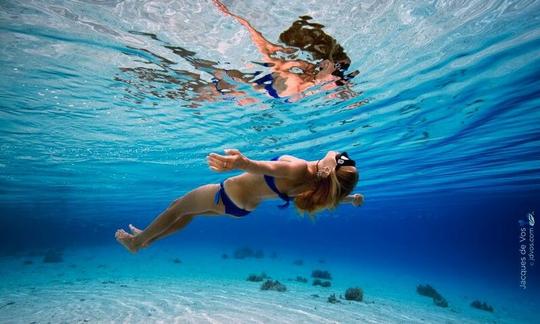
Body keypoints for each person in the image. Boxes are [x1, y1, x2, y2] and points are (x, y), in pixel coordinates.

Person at [115, 149, 364, 253]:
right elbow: (329, 194)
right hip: (240, 208)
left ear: (333, 164)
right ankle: (150, 238)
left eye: (340, 156)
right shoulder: (314, 185)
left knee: (176, 207)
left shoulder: (301, 170)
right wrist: (349, 199)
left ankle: (137, 242)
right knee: (188, 213)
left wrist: (242, 163)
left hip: (226, 194)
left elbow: (269, 167)